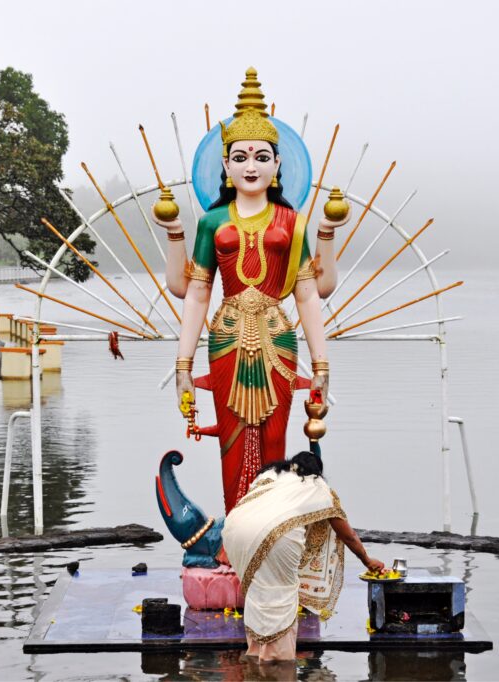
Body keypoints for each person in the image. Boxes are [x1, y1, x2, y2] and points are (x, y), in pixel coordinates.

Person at [153, 68, 351, 513]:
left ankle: (274, 531)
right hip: (225, 341)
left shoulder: (291, 223)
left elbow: (310, 293)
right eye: (240, 157)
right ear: (224, 165)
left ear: (278, 165)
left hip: (278, 341)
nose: (251, 166)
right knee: (232, 436)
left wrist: (321, 363)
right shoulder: (212, 221)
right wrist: (183, 363)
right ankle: (238, 533)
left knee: (276, 436)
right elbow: (195, 293)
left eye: (262, 157)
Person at [221, 451, 385, 662]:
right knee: (283, 592)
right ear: (317, 472)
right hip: (278, 535)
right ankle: (278, 663)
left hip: (235, 530)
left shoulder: (271, 475)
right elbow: (348, 535)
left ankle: (256, 656)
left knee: (258, 591)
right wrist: (367, 560)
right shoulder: (317, 486)